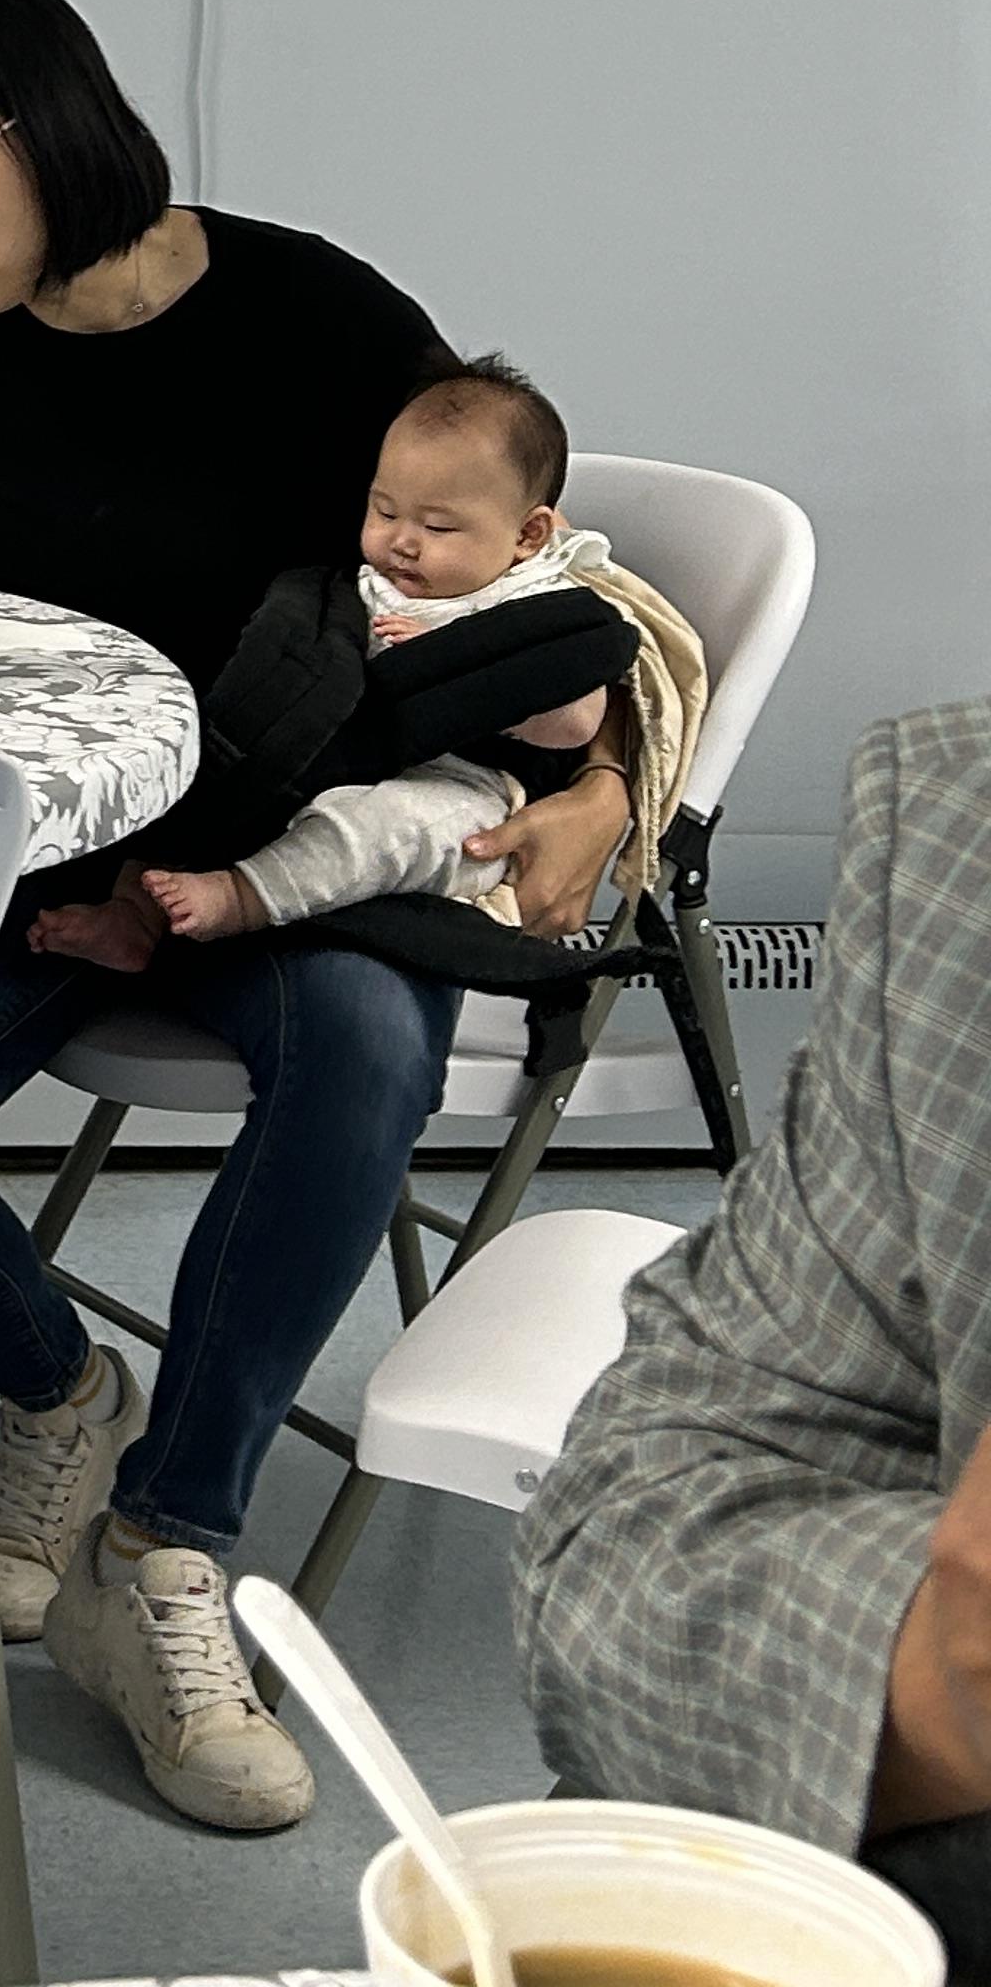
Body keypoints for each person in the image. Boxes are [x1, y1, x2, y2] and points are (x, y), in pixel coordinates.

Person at [0, 0, 638, 1834]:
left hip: (299, 854)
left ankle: (162, 1545)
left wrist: (602, 785)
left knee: (362, 1051)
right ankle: (56, 1393)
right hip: (44, 852)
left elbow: (542, 585)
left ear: (57, 130)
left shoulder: (317, 315)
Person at [516, 704, 991, 1986]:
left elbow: (611, 663)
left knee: (355, 1044)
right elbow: (644, 1525)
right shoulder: (967, 843)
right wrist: (937, 1667)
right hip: (265, 861)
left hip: (408, 880)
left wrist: (607, 778)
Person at [33, 358, 633, 961]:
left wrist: (461, 666)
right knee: (221, 781)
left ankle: (242, 899)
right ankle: (133, 915)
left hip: (469, 787)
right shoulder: (375, 582)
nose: (403, 541)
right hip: (348, 751)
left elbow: (577, 721)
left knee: (379, 825)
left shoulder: (536, 602)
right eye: (385, 511)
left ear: (527, 536)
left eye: (438, 527)